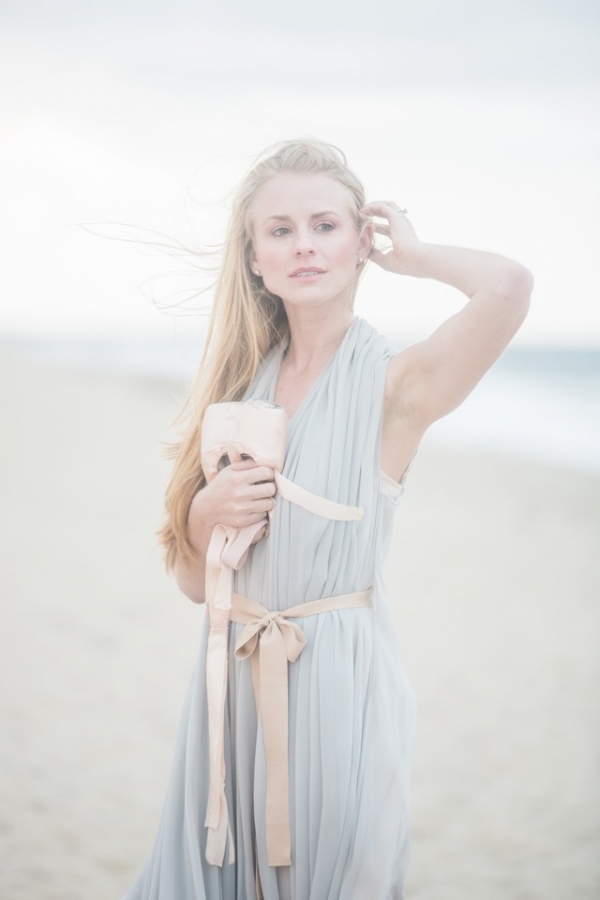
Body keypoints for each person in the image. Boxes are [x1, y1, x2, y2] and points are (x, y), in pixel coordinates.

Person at [123, 139, 532, 900]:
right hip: (229, 677)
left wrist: (411, 253)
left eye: (325, 225)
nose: (304, 244)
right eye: (279, 230)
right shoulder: (235, 387)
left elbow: (507, 287)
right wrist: (204, 516)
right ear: (253, 257)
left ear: (360, 241)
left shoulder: (395, 385)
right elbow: (190, 584)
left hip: (336, 677)